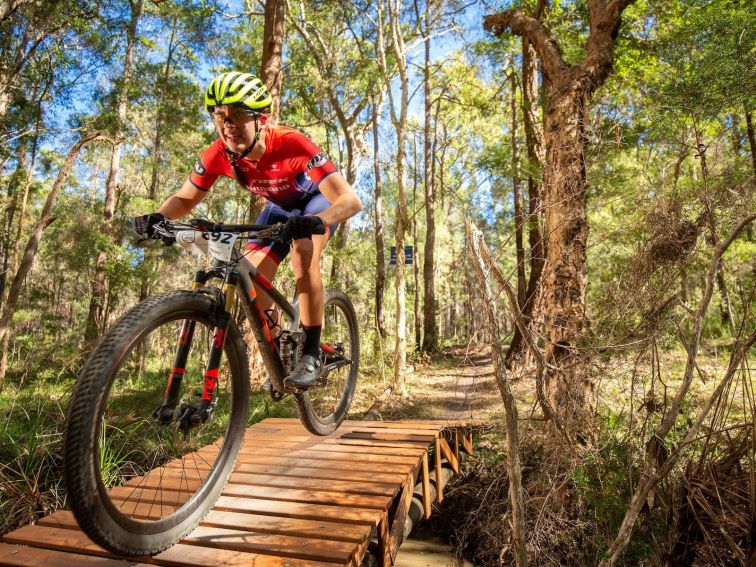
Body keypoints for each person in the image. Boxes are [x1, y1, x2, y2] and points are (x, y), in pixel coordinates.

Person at [134, 71, 362, 388]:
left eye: (239, 114)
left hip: (316, 203)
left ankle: (310, 353)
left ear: (261, 119)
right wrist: (157, 216)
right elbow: (186, 197)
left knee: (303, 251)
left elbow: (350, 200)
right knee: (252, 278)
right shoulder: (219, 154)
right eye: (221, 116)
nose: (229, 124)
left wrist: (319, 221)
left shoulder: (293, 144)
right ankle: (285, 345)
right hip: (279, 210)